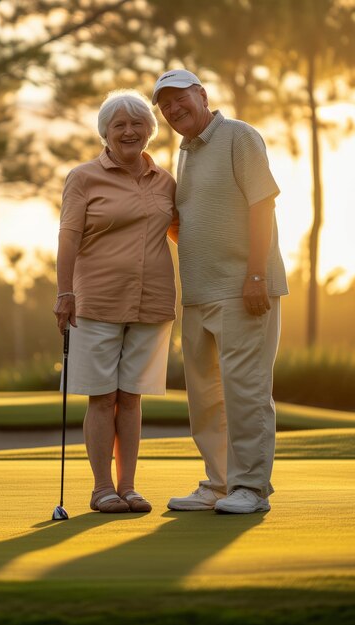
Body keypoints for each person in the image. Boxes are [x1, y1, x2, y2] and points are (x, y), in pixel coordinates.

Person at [152, 69, 288, 514]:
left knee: (245, 391)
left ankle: (251, 487)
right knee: (206, 397)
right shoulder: (185, 153)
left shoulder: (239, 136)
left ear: (202, 94)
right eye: (165, 105)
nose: (174, 109)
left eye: (180, 98)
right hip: (197, 293)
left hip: (242, 288)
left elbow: (261, 203)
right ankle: (219, 482)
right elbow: (189, 221)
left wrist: (255, 276)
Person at [53, 90, 178, 514]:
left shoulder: (165, 181)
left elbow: (181, 231)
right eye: (119, 124)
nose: (129, 131)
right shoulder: (84, 177)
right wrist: (64, 292)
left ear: (150, 130)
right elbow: (68, 236)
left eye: (138, 123)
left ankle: (128, 486)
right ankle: (101, 488)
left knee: (133, 396)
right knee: (102, 397)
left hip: (153, 301)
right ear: (105, 133)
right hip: (97, 301)